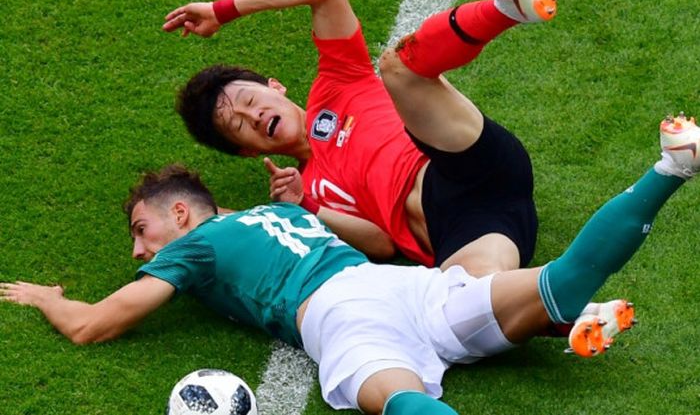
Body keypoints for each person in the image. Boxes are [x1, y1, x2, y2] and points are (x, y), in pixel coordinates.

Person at [1, 117, 699, 414]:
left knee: (406, 402)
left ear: (181, 214)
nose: (137, 249)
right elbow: (383, 241)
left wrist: (43, 297)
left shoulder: (195, 245)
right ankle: (670, 167)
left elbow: (95, 325)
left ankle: (560, 318)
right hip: (401, 284)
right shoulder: (288, 215)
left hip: (341, 315)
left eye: (140, 228)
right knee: (559, 279)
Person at [161, 0, 560, 277]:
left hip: (464, 164)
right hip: (464, 233)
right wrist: (305, 206)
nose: (254, 117)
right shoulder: (306, 192)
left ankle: (505, 10)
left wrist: (222, 10)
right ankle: (576, 313)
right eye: (239, 127)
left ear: (275, 86)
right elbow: (381, 244)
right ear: (246, 151)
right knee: (472, 299)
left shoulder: (337, 81)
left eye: (250, 102)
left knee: (397, 69)